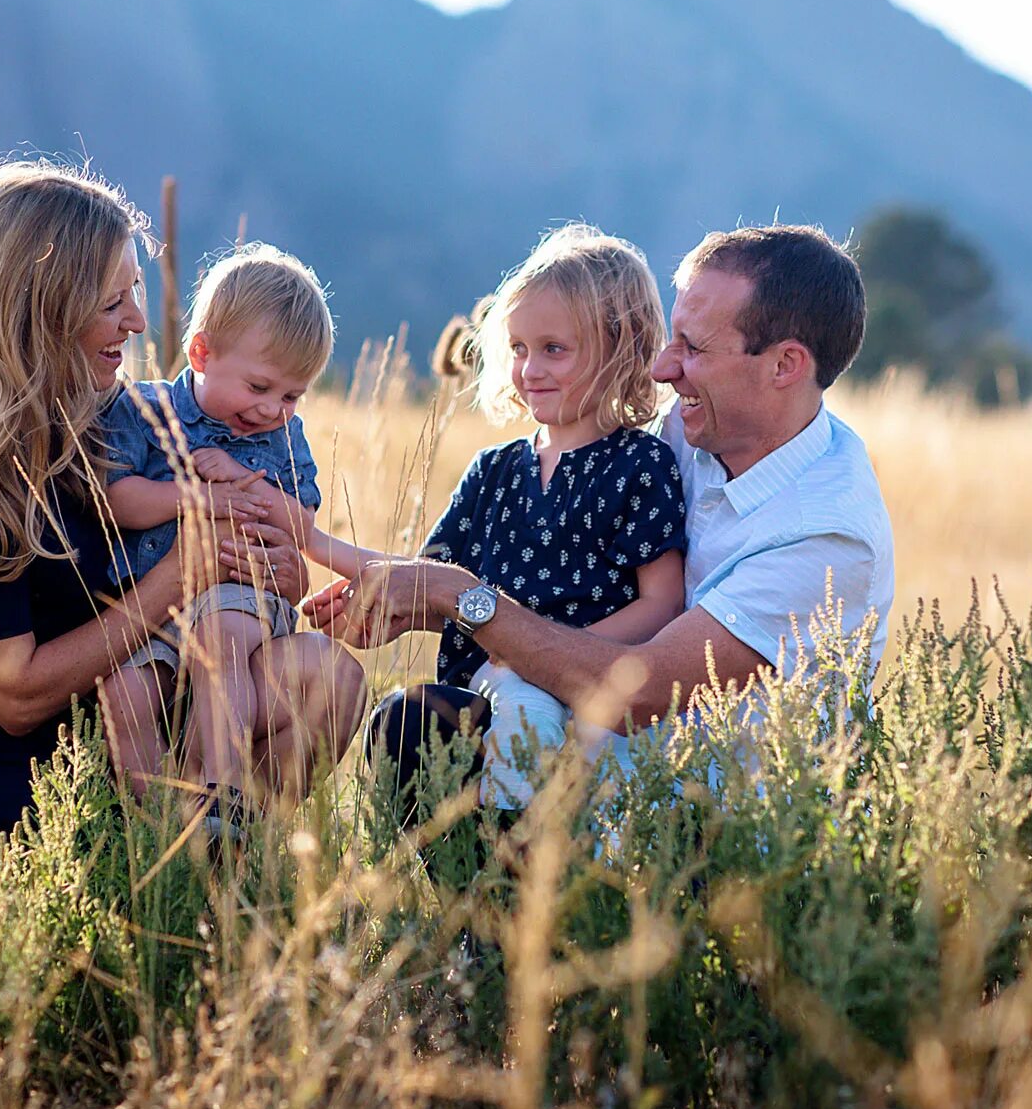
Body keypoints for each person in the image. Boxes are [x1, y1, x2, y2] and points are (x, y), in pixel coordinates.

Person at [0, 160, 359, 839]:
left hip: (118, 754)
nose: (138, 321)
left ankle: (221, 854)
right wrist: (183, 576)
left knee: (333, 680)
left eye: (134, 292)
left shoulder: (109, 421)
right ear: (40, 306)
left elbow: (231, 552)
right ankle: (187, 852)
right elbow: (14, 693)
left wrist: (276, 570)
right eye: (113, 303)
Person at [306, 224, 894, 819]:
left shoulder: (826, 534)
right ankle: (482, 910)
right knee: (415, 724)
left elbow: (642, 692)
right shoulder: (684, 433)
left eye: (693, 348)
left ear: (785, 364)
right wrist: (407, 601)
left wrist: (462, 598)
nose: (663, 369)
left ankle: (527, 898)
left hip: (714, 831)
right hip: (596, 768)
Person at [288, 224, 688, 812]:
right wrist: (327, 556)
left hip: (583, 694)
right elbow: (426, 579)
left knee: (527, 729)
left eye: (555, 349)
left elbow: (662, 604)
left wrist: (546, 650)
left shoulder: (641, 464)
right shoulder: (495, 470)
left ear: (620, 347)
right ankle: (465, 884)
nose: (531, 370)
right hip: (483, 687)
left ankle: (516, 870)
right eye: (520, 349)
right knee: (404, 722)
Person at [98, 243, 362, 838]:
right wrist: (200, 499)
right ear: (201, 352)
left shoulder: (286, 438)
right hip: (147, 607)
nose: (272, 409)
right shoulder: (144, 410)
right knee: (124, 692)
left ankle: (222, 794)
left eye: (292, 396)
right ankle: (157, 832)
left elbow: (300, 522)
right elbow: (121, 499)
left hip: (236, 597)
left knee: (224, 637)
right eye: (259, 387)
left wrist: (246, 482)